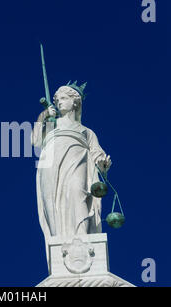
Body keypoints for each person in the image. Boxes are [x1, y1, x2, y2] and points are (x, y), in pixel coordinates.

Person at [32, 83, 112, 244]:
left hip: (78, 161)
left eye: (63, 98)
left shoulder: (86, 131)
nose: (59, 102)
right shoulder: (52, 124)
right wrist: (44, 116)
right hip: (51, 164)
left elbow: (96, 153)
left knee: (78, 192)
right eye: (56, 100)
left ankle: (82, 237)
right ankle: (59, 241)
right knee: (52, 201)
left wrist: (103, 164)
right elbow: (36, 141)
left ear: (75, 102)